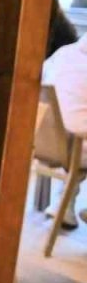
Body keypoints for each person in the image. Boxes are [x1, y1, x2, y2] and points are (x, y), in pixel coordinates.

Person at [43, 31, 87, 228]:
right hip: (77, 146)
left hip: (47, 141)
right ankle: (63, 203)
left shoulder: (62, 54)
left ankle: (63, 204)